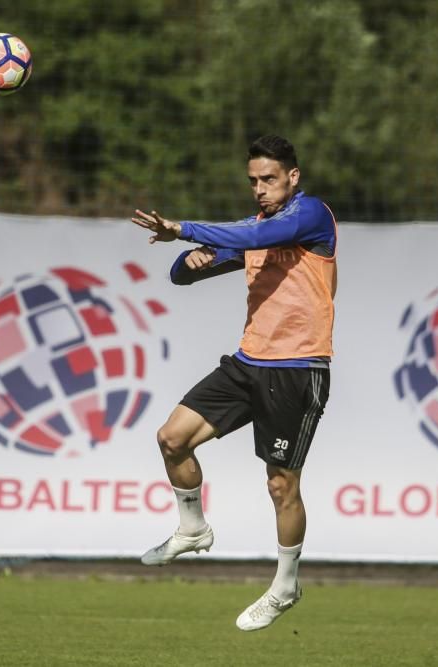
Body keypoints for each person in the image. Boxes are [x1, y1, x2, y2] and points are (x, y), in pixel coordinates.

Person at [130, 134, 337, 631]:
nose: (260, 189)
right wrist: (190, 258)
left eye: (269, 179)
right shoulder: (256, 229)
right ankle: (193, 528)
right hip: (248, 364)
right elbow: (183, 275)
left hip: (298, 370)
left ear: (293, 178)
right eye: (253, 181)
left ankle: (286, 585)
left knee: (280, 484)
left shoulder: (312, 217)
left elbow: (249, 240)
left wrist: (183, 229)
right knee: (172, 438)